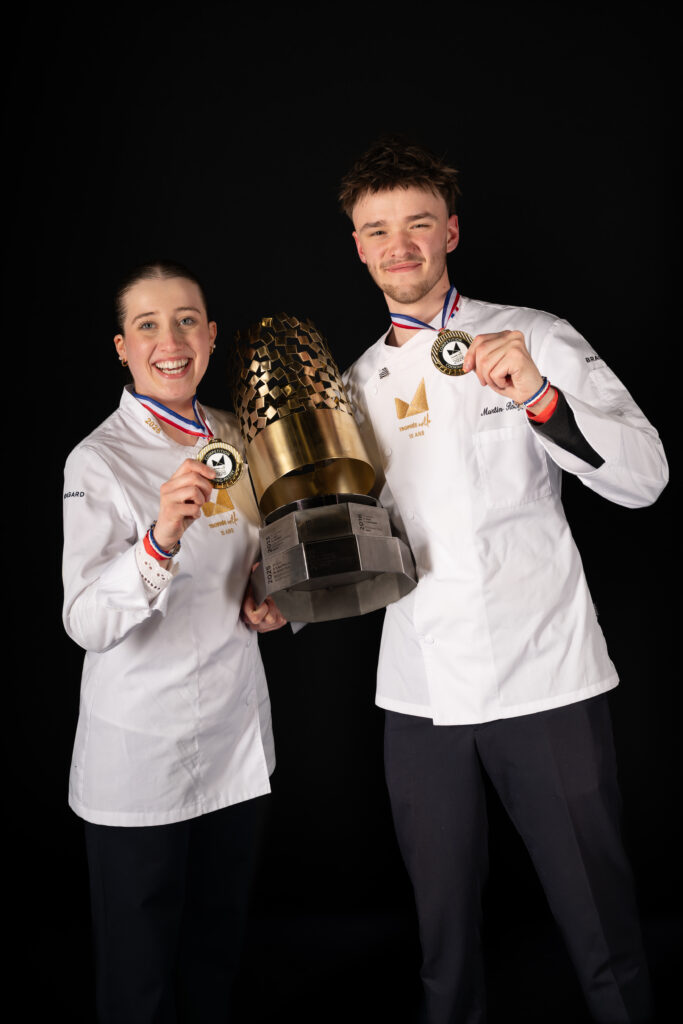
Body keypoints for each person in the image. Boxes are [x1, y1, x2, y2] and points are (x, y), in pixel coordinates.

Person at [338, 138, 668, 1023]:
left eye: (417, 223)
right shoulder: (351, 385)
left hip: (543, 671)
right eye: (378, 230)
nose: (399, 245)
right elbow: (353, 539)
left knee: (598, 919)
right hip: (420, 687)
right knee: (442, 938)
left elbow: (645, 477)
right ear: (358, 247)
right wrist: (280, 603)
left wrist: (537, 395)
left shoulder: (536, 335)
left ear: (450, 231)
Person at [62, 261, 285, 1023]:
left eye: (187, 320)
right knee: (140, 977)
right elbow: (86, 621)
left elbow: (253, 564)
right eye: (148, 325)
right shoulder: (98, 460)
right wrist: (158, 539)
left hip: (232, 739)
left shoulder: (238, 435)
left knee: (214, 956)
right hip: (142, 749)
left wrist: (267, 597)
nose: (171, 340)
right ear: (122, 347)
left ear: (211, 336)